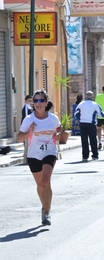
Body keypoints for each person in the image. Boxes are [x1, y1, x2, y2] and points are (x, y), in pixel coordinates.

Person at [17, 90, 61, 226]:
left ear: (46, 103)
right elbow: (19, 138)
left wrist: (58, 134)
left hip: (49, 152)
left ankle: (46, 213)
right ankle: (44, 206)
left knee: (46, 181)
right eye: (35, 101)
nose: (38, 103)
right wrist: (29, 132)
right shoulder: (29, 120)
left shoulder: (53, 118)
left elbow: (59, 128)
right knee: (40, 185)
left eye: (41, 100)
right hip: (33, 155)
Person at [75, 91, 104, 162]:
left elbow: (76, 114)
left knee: (84, 140)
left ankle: (85, 156)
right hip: (91, 124)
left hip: (82, 124)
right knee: (93, 139)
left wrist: (81, 119)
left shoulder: (81, 104)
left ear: (85, 96)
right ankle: (95, 155)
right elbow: (102, 114)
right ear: (92, 97)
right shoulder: (95, 104)